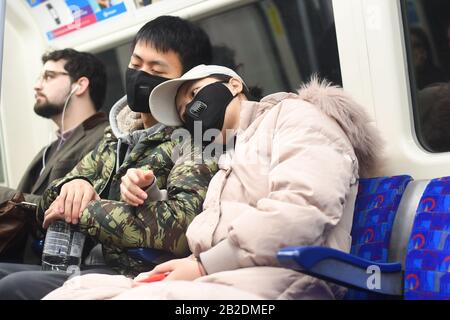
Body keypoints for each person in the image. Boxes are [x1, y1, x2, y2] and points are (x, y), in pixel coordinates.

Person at [43, 65, 383, 300]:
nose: (190, 109)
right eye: (182, 110)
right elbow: (212, 225)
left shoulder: (296, 117)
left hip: (283, 280)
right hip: (225, 277)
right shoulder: (228, 152)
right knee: (75, 291)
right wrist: (150, 196)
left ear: (233, 85)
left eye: (193, 93)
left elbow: (300, 212)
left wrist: (204, 264)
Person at [0, 16, 216, 300]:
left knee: (11, 288)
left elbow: (179, 226)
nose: (140, 74)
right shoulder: (115, 137)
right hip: (80, 262)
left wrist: (86, 210)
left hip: (132, 271)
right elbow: (47, 207)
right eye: (136, 64)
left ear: (181, 82)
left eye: (155, 69)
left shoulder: (192, 139)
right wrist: (73, 186)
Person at [0, 49, 108, 262]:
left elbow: (72, 206)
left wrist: (4, 195)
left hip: (60, 259)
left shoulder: (105, 138)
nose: (37, 85)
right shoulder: (49, 149)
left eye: (49, 76)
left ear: (80, 85)